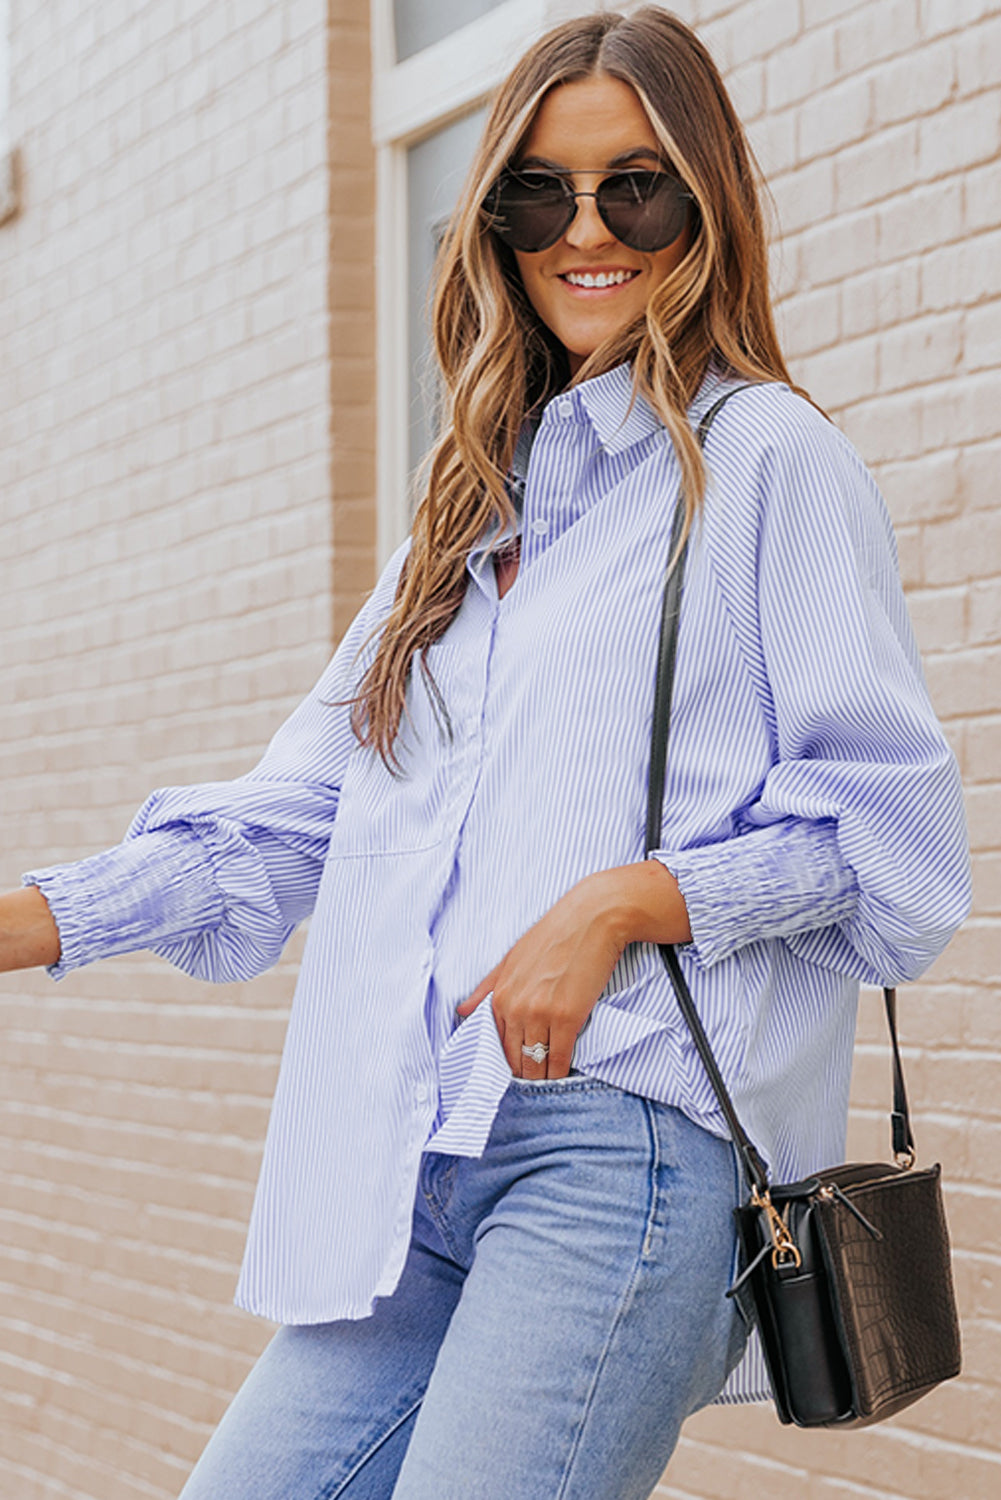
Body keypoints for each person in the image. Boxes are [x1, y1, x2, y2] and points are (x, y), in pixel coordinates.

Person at [0, 9, 970, 1499]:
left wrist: (620, 904)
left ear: (704, 202)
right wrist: (32, 919)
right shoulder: (463, 515)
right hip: (421, 1153)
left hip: (622, 1156)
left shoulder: (770, 464)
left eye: (632, 187)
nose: (585, 231)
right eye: (537, 193)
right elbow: (297, 819)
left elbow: (885, 849)